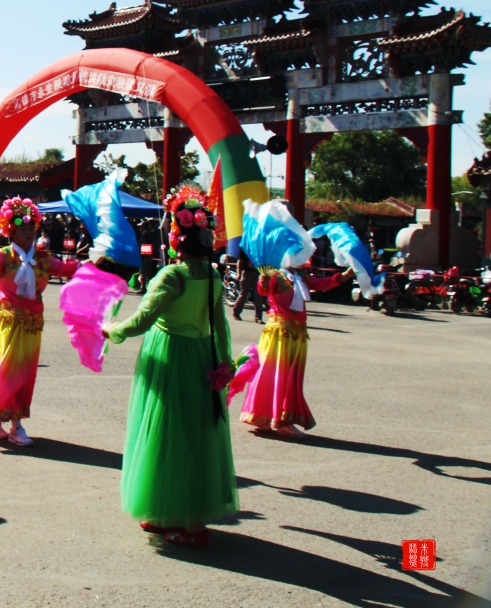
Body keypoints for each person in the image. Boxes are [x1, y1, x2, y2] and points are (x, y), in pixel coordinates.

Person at [102, 188, 237, 549]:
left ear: (176, 240)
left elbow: (143, 321)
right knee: (189, 435)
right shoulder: (212, 276)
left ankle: (191, 526)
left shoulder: (170, 277)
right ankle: (171, 514)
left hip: (169, 357)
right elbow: (219, 325)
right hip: (200, 357)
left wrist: (112, 331)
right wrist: (225, 362)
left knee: (166, 436)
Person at [0, 197, 78, 446]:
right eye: (23, 228)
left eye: (32, 228)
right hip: (8, 322)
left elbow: (65, 269)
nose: (29, 232)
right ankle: (14, 425)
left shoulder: (43, 258)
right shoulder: (4, 256)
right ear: (11, 231)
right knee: (7, 372)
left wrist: (95, 263)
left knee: (24, 374)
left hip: (32, 322)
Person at [240, 262, 353, 438]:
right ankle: (280, 421)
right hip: (279, 334)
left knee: (287, 378)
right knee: (277, 377)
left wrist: (345, 276)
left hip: (296, 334)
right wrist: (263, 281)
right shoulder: (276, 275)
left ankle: (268, 419)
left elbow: (321, 283)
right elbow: (263, 291)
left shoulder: (301, 278)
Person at [230, 248, 264, 324]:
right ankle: (236, 313)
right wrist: (239, 273)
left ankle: (258, 318)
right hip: (246, 274)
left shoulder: (260, 249)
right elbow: (239, 262)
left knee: (258, 296)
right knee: (243, 295)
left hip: (257, 274)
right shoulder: (244, 249)